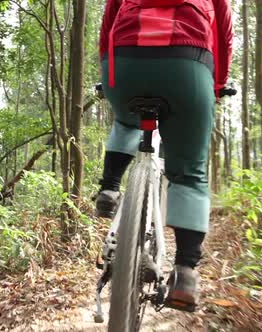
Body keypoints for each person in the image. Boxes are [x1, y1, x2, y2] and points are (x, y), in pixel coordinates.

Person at [95, 0, 233, 312]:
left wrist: (109, 70)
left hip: (124, 62)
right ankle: (185, 273)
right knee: (189, 173)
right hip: (188, 65)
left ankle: (109, 186)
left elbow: (108, 27)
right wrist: (218, 84)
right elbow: (223, 35)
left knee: (126, 120)